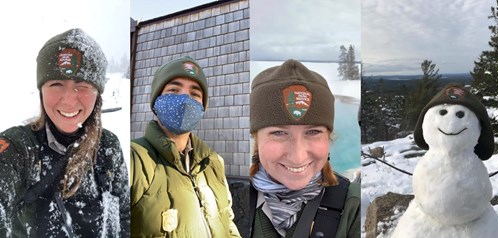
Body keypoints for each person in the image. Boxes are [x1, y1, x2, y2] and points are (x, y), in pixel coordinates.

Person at [0, 28, 129, 237]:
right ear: (41, 90)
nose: (69, 99)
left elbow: (125, 216)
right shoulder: (19, 146)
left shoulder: (109, 146)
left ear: (98, 93)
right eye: (56, 84)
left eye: (83, 84)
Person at [130, 56, 241, 237]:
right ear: (156, 102)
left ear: (202, 107)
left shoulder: (213, 163)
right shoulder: (135, 159)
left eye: (194, 94)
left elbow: (227, 222)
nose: (184, 99)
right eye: (174, 90)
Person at [248, 59, 361, 238]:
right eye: (278, 133)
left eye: (313, 132)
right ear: (256, 137)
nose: (297, 157)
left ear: (329, 137)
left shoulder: (353, 205)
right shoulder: (227, 201)